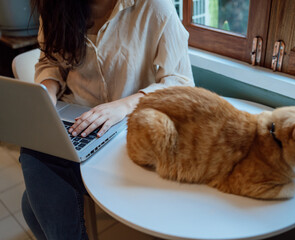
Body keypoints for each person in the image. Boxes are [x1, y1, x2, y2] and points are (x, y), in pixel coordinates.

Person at [20, 0, 194, 239]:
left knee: (31, 204)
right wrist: (46, 99)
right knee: (33, 153)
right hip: (73, 120)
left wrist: (123, 106)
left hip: (126, 130)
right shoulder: (55, 5)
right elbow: (50, 63)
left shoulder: (154, 7)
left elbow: (181, 82)